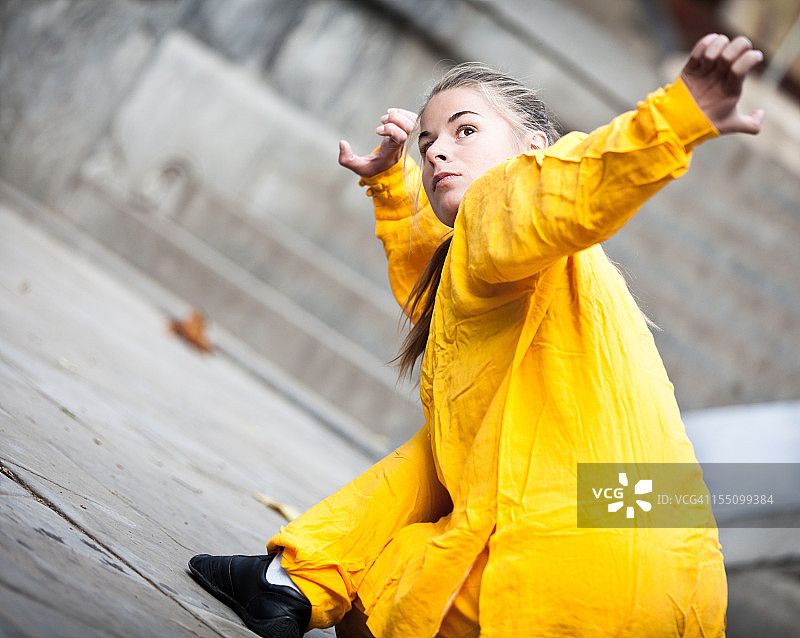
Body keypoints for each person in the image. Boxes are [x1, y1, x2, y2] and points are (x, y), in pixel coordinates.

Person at [188, 33, 764, 638]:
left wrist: (679, 114)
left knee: (377, 589)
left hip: (542, 596)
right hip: (680, 591)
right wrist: (391, 184)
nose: (436, 153)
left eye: (465, 132)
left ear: (533, 148)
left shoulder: (512, 199)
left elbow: (572, 189)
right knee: (453, 447)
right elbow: (444, 295)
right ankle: (289, 582)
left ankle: (296, 582)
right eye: (428, 140)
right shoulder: (538, 265)